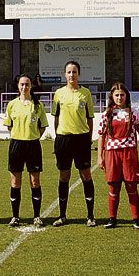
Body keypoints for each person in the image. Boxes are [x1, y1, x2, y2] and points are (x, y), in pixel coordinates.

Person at [49, 61, 97, 226]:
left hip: (82, 138)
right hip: (63, 139)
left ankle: (90, 216)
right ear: (65, 74)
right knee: (64, 175)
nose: (72, 75)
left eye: (74, 72)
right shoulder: (58, 94)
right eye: (69, 72)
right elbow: (55, 118)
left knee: (86, 175)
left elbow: (90, 119)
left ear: (79, 74)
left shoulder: (86, 94)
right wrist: (58, 137)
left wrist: (88, 138)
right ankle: (62, 215)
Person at [98, 82, 139, 229]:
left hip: (129, 153)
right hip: (112, 153)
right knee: (114, 186)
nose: (119, 97)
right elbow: (101, 136)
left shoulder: (134, 113)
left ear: (126, 96)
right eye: (117, 95)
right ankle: (112, 218)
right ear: (112, 97)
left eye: (122, 95)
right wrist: (100, 157)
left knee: (131, 185)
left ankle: (136, 219)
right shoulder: (106, 114)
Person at [4, 74, 48, 227]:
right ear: (18, 86)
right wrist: (19, 135)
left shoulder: (38, 105)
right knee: (15, 181)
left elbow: (42, 127)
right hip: (16, 145)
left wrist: (32, 136)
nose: (24, 87)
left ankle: (36, 216)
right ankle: (15, 216)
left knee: (35, 181)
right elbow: (9, 126)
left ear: (31, 86)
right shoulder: (11, 105)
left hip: (33, 145)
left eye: (27, 84)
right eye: (22, 84)